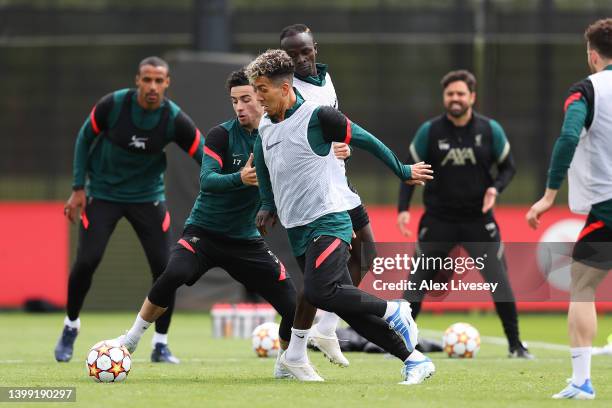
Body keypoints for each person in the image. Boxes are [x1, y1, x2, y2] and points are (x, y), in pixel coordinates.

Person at [247, 48, 436, 385]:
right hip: (297, 227)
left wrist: (402, 169)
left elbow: (367, 140)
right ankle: (414, 360)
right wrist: (266, 203)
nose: (257, 97)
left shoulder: (318, 117)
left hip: (330, 219)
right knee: (343, 304)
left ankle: (395, 310)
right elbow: (262, 161)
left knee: (321, 292)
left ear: (286, 88)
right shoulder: (266, 125)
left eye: (262, 89)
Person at [115, 69, 314, 380]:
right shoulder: (221, 135)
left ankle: (285, 363)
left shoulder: (278, 135)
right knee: (173, 273)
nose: (239, 107)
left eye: (246, 99)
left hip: (246, 241)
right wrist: (241, 178)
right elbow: (207, 181)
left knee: (293, 305)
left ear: (262, 99)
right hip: (204, 234)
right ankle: (130, 340)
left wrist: (337, 151)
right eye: (234, 101)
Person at [55, 56, 204, 364]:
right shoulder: (113, 106)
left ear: (167, 84)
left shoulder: (173, 119)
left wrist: (228, 181)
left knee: (167, 270)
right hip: (104, 194)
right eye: (147, 79)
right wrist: (77, 188)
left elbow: (205, 156)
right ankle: (71, 326)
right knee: (87, 261)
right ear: (137, 80)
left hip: (147, 198)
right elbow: (85, 139)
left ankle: (160, 344)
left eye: (158, 81)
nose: (152, 86)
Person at [397, 69, 532, 359]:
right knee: (417, 282)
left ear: (472, 97)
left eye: (460, 93)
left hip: (478, 221)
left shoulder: (489, 130)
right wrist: (403, 210)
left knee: (500, 282)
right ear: (444, 98)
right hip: (438, 220)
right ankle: (401, 345)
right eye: (450, 94)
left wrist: (496, 188)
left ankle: (516, 345)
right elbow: (409, 169)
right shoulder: (430, 131)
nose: (455, 98)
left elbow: (509, 167)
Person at [279, 24, 377, 366]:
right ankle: (294, 348)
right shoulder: (290, 92)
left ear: (315, 48)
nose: (301, 59)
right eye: (293, 55)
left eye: (305, 51)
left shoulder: (326, 79)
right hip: (315, 191)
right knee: (316, 279)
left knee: (366, 251)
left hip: (340, 181)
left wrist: (341, 145)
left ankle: (327, 327)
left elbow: (336, 127)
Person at [526, 18, 612, 400]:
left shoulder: (587, 91)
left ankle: (581, 381)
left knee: (582, 285)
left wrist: (548, 195)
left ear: (592, 55)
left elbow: (567, 137)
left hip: (608, 208)